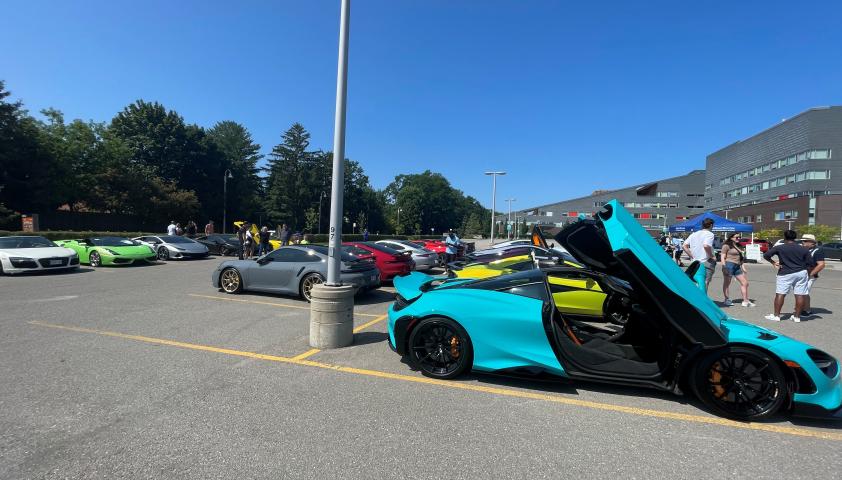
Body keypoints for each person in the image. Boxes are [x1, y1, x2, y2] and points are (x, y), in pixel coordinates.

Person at [763, 230, 813, 323]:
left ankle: (776, 316)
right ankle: (797, 317)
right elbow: (810, 263)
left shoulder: (780, 247)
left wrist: (773, 263)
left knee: (780, 293)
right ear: (795, 238)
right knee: (800, 294)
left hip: (785, 272)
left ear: (785, 237)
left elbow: (766, 255)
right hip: (801, 272)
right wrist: (806, 272)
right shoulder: (804, 249)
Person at [720, 232, 754, 307]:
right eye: (736, 237)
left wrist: (743, 267)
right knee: (727, 283)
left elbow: (740, 258)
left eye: (739, 237)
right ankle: (726, 299)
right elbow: (722, 257)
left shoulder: (738, 245)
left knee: (745, 283)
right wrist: (724, 266)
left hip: (737, 266)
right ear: (731, 238)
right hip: (729, 265)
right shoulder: (726, 245)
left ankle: (745, 301)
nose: (738, 239)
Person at [682, 218, 716, 292]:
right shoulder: (710, 234)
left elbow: (684, 246)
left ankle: (698, 299)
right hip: (706, 261)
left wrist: (692, 256)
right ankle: (703, 300)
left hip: (695, 262)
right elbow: (706, 245)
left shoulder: (694, 234)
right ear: (711, 225)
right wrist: (712, 256)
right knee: (705, 282)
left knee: (698, 282)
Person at [799, 234, 825, 317]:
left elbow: (821, 264)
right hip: (803, 274)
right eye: (802, 240)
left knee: (804, 293)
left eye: (805, 241)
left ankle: (807, 311)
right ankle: (804, 308)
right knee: (803, 292)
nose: (803, 242)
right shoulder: (804, 249)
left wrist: (811, 274)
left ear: (812, 242)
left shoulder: (817, 250)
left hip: (810, 275)